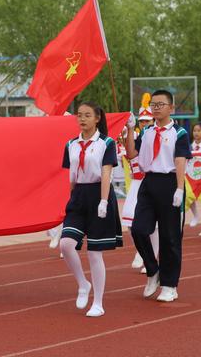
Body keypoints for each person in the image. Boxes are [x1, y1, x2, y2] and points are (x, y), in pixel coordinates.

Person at [125, 89, 192, 302]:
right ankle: (153, 270)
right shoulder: (146, 132)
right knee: (138, 229)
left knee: (170, 237)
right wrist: (129, 130)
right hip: (149, 182)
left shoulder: (179, 133)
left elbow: (180, 160)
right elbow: (131, 153)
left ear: (171, 108)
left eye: (160, 104)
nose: (156, 107)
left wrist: (179, 189)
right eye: (153, 104)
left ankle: (170, 284)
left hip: (170, 183)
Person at [60, 101, 122, 317]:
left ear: (97, 118)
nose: (82, 119)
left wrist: (103, 201)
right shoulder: (71, 144)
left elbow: (106, 173)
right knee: (66, 244)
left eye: (87, 115)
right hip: (79, 197)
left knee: (95, 253)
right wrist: (70, 200)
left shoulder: (107, 143)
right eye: (79, 115)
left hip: (99, 194)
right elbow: (71, 176)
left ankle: (98, 302)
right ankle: (82, 284)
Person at [122, 93, 159, 273]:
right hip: (137, 185)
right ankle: (142, 251)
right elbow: (129, 153)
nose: (145, 124)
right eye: (142, 121)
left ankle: (151, 257)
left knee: (154, 227)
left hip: (152, 184)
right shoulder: (135, 137)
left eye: (148, 121)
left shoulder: (156, 137)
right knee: (130, 223)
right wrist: (128, 128)